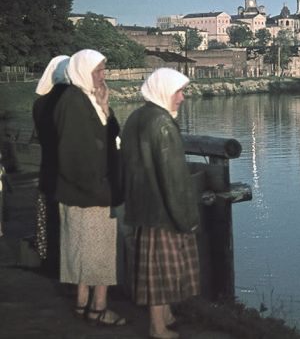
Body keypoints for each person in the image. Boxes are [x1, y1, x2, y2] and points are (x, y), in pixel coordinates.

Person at [121, 68, 200, 339]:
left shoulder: (136, 116)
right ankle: (157, 326)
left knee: (154, 265)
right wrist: (186, 217)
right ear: (165, 91)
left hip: (140, 204)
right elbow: (173, 176)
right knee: (160, 269)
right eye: (179, 91)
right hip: (161, 209)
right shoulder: (163, 124)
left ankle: (165, 315)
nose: (183, 97)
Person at [53, 49, 125, 326]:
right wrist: (100, 185)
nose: (103, 75)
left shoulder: (85, 99)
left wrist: (105, 108)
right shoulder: (74, 103)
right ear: (83, 70)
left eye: (104, 69)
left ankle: (83, 303)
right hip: (90, 191)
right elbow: (76, 151)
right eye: (98, 70)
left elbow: (111, 132)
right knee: (99, 253)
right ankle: (99, 307)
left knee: (83, 250)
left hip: (83, 190)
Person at [32, 55, 70, 277]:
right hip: (65, 170)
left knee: (49, 219)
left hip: (47, 167)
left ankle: (49, 260)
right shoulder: (68, 103)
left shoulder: (39, 104)